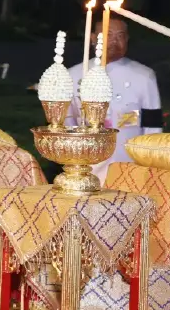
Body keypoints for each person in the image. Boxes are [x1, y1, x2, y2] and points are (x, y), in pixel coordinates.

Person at [65, 16, 163, 184]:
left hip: (129, 168)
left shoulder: (144, 76)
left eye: (120, 36)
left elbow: (153, 126)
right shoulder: (73, 75)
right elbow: (67, 123)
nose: (114, 41)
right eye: (108, 35)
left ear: (127, 40)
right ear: (93, 38)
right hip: (86, 168)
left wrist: (148, 166)